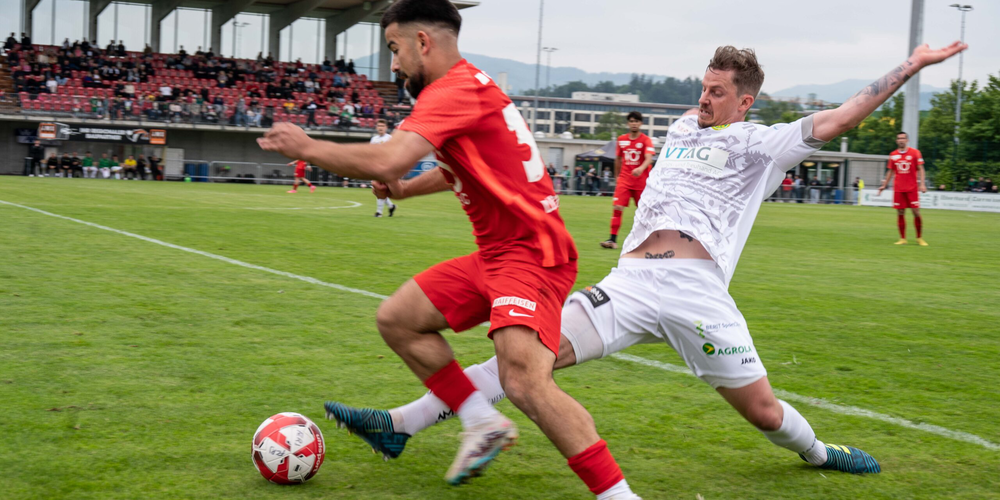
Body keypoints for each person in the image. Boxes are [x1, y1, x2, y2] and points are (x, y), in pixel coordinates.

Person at [326, 41, 967, 486]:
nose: (705, 99)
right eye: (703, 88)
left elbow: (842, 117)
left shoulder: (764, 144)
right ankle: (400, 423)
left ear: (745, 102)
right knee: (524, 365)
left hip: (697, 291)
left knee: (765, 414)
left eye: (718, 93)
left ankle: (821, 452)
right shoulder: (683, 127)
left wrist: (911, 65)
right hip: (630, 283)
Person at [258, 1, 638, 497]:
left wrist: (307, 147)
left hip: (532, 255)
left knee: (524, 382)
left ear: (422, 43)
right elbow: (457, 167)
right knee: (397, 319)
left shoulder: (451, 90)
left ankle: (619, 495)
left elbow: (389, 159)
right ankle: (480, 421)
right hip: (499, 254)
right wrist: (403, 190)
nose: (393, 64)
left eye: (395, 49)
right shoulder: (469, 86)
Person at [601, 111, 655, 249]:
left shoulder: (646, 140)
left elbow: (649, 158)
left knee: (644, 211)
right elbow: (618, 159)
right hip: (625, 180)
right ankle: (612, 240)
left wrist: (641, 168)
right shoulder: (621, 139)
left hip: (641, 181)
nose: (634, 124)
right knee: (617, 207)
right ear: (628, 123)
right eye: (631, 121)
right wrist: (617, 176)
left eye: (636, 121)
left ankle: (649, 239)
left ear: (640, 123)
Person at [877, 131, 927, 246]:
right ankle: (903, 239)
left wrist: (922, 184)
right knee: (900, 212)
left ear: (907, 140)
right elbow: (890, 171)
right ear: (896, 141)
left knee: (916, 212)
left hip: (912, 188)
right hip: (899, 188)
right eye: (899, 138)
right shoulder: (893, 154)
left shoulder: (915, 153)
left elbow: (921, 169)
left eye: (903, 138)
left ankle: (919, 238)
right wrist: (884, 185)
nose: (901, 140)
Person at [370, 119, 397, 217]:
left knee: (379, 188)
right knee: (376, 189)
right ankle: (391, 206)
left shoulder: (389, 138)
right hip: (376, 166)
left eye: (382, 126)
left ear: (386, 127)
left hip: (386, 166)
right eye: (379, 126)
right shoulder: (374, 139)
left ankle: (379, 212)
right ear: (376, 127)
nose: (380, 128)